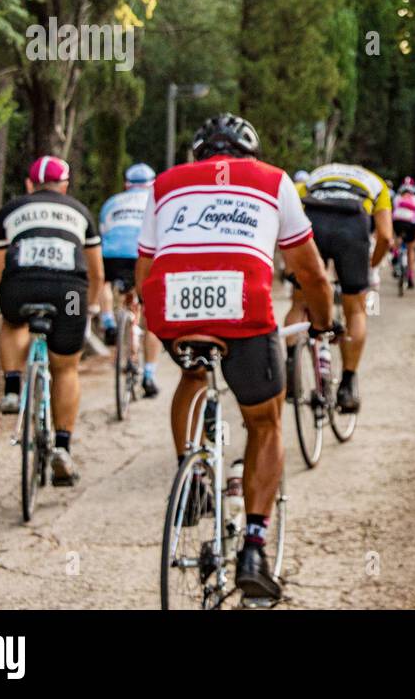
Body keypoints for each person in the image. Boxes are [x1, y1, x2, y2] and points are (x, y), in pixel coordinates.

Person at [136, 114, 335, 600]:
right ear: (250, 152)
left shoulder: (164, 184)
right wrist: (325, 322)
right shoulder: (273, 181)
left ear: (198, 154)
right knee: (265, 423)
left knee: (195, 372)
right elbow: (308, 272)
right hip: (244, 308)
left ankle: (192, 474)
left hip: (173, 305)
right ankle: (253, 548)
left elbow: (145, 267)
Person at [0, 156, 104, 487]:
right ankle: (64, 448)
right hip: (68, 292)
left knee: (13, 322)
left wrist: (1, 298)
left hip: (20, 284)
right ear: (64, 185)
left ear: (29, 184)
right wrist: (92, 304)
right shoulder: (80, 211)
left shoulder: (11, 210)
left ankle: (12, 387)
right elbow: (96, 271)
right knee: (66, 368)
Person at [287, 161, 393, 413]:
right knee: (355, 310)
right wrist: (370, 266)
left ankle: (291, 364)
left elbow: (290, 215)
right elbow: (386, 236)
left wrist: (294, 266)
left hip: (314, 223)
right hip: (352, 227)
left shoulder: (315, 176)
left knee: (300, 302)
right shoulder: (375, 182)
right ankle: (347, 385)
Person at [97, 162, 161, 397]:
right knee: (151, 316)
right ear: (153, 184)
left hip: (113, 255)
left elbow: (104, 231)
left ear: (126, 184)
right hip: (143, 256)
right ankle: (150, 375)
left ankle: (108, 320)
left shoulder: (112, 202)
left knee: (103, 280)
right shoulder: (156, 202)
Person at [391, 182, 415, 290]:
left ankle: (395, 254)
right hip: (411, 223)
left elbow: (392, 214)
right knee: (411, 249)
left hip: (398, 222)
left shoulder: (397, 198)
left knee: (398, 238)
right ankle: (410, 276)